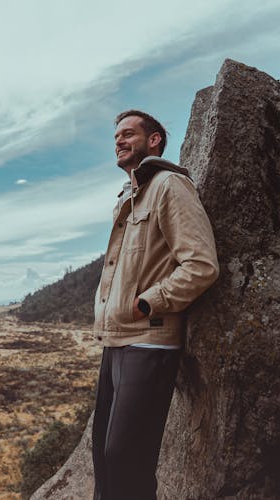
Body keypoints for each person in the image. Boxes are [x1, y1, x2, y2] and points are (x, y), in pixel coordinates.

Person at [92, 109, 219, 499]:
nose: (119, 140)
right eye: (116, 135)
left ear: (154, 141)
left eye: (129, 134)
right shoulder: (129, 198)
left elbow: (201, 265)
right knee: (103, 456)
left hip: (150, 342)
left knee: (126, 460)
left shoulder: (169, 186)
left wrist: (148, 303)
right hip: (116, 343)